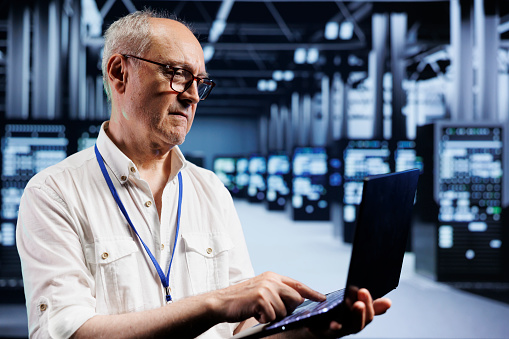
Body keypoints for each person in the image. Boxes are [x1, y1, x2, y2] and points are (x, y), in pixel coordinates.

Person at [16, 9, 391, 339]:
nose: (193, 95)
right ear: (119, 72)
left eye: (200, 82)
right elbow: (68, 333)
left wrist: (307, 332)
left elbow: (238, 329)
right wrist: (215, 303)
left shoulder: (210, 190)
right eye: (177, 74)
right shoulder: (55, 193)